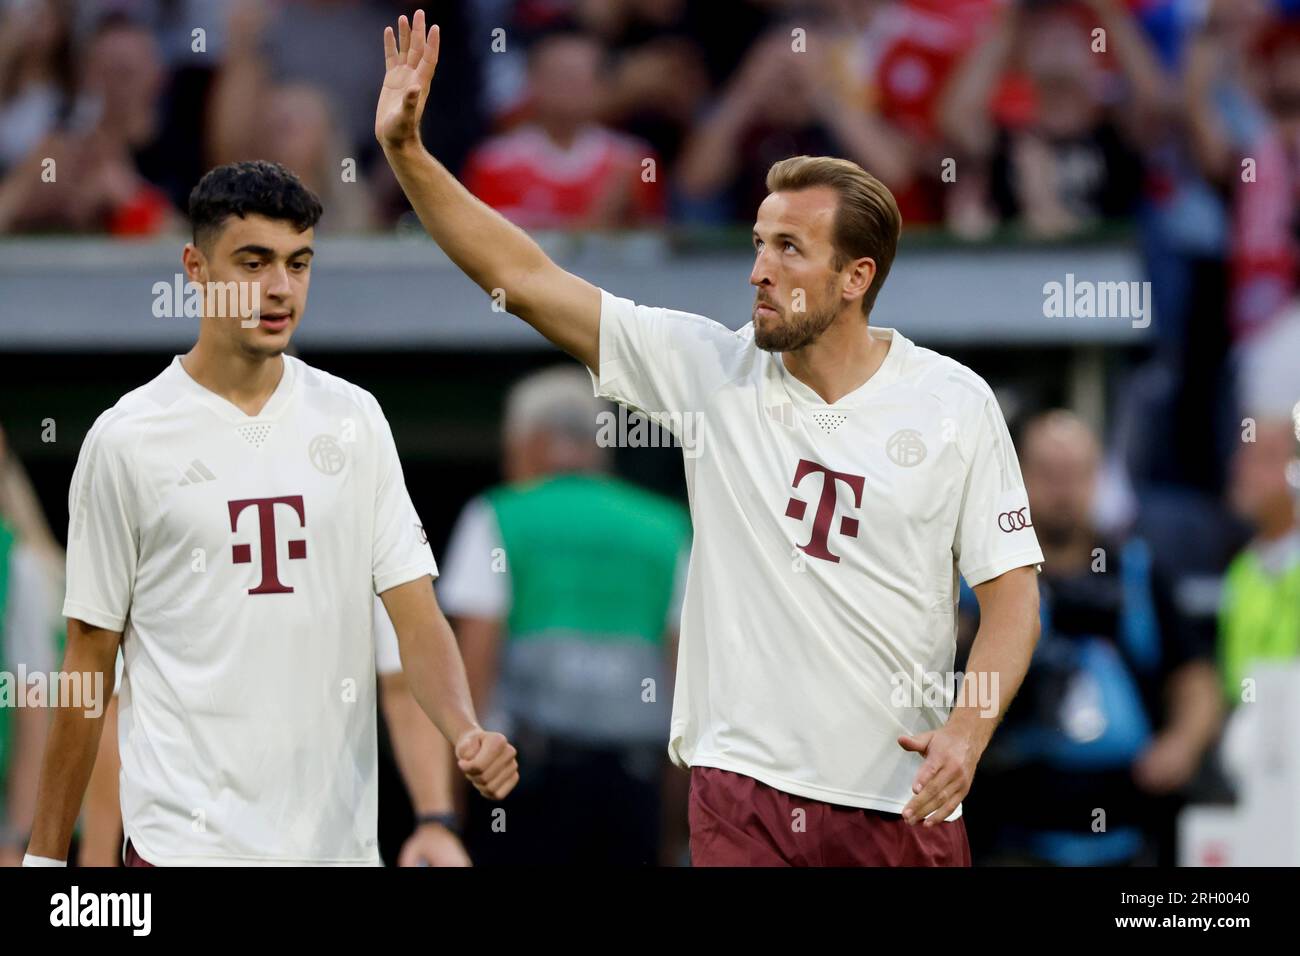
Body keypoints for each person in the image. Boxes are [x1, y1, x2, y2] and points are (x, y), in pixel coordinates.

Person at [377, 11, 1043, 867]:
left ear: (855, 278)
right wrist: (408, 156)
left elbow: (1013, 600)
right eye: (760, 243)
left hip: (901, 800)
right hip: (743, 796)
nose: (759, 268)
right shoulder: (711, 371)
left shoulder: (954, 401)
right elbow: (527, 277)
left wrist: (967, 730)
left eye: (789, 249)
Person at [23, 159, 516, 867]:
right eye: (253, 263)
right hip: (183, 849)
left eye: (299, 263)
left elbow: (416, 617)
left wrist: (465, 729)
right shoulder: (127, 438)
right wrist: (45, 862)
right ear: (195, 268)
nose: (280, 288)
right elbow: (88, 660)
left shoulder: (355, 420)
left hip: (336, 851)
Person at [419, 366, 690, 865]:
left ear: (530, 442)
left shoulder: (497, 514)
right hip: (636, 791)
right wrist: (675, 831)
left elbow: (473, 669)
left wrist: (445, 812)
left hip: (527, 786)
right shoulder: (666, 528)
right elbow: (688, 691)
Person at [961, 411, 1222, 866]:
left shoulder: (1136, 572)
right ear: (1015, 475)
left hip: (1129, 830)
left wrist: (1181, 744)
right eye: (1047, 473)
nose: (1064, 489)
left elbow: (1195, 676)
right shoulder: (983, 579)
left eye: (1077, 473)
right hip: (1013, 832)